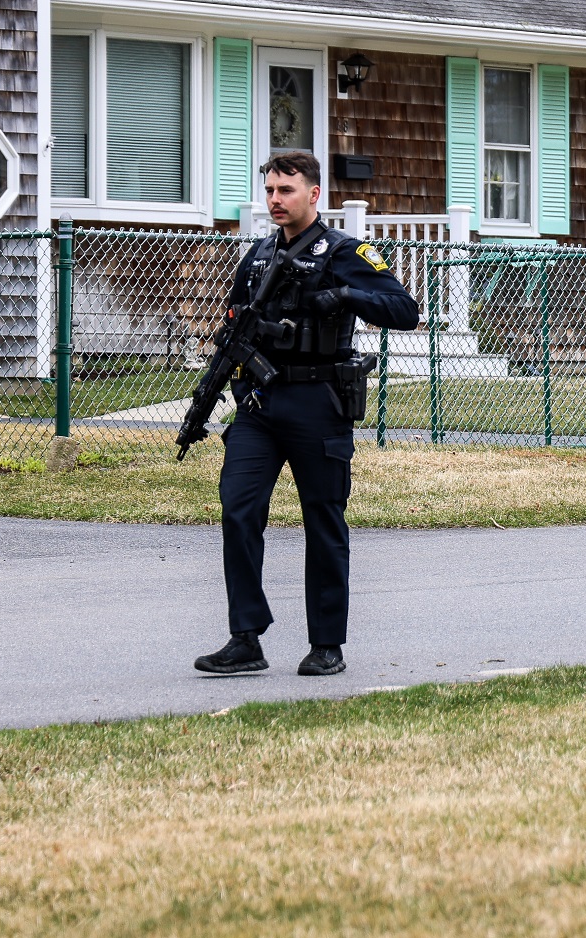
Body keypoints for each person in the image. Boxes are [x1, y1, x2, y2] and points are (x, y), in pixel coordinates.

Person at [195, 152, 420, 676]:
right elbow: (236, 324)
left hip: (318, 403)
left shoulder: (345, 251)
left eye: (286, 190)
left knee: (323, 520)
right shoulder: (258, 255)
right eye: (270, 190)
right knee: (238, 509)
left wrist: (345, 295)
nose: (275, 200)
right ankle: (245, 639)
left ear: (314, 194)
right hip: (259, 405)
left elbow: (405, 311)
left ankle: (326, 644)